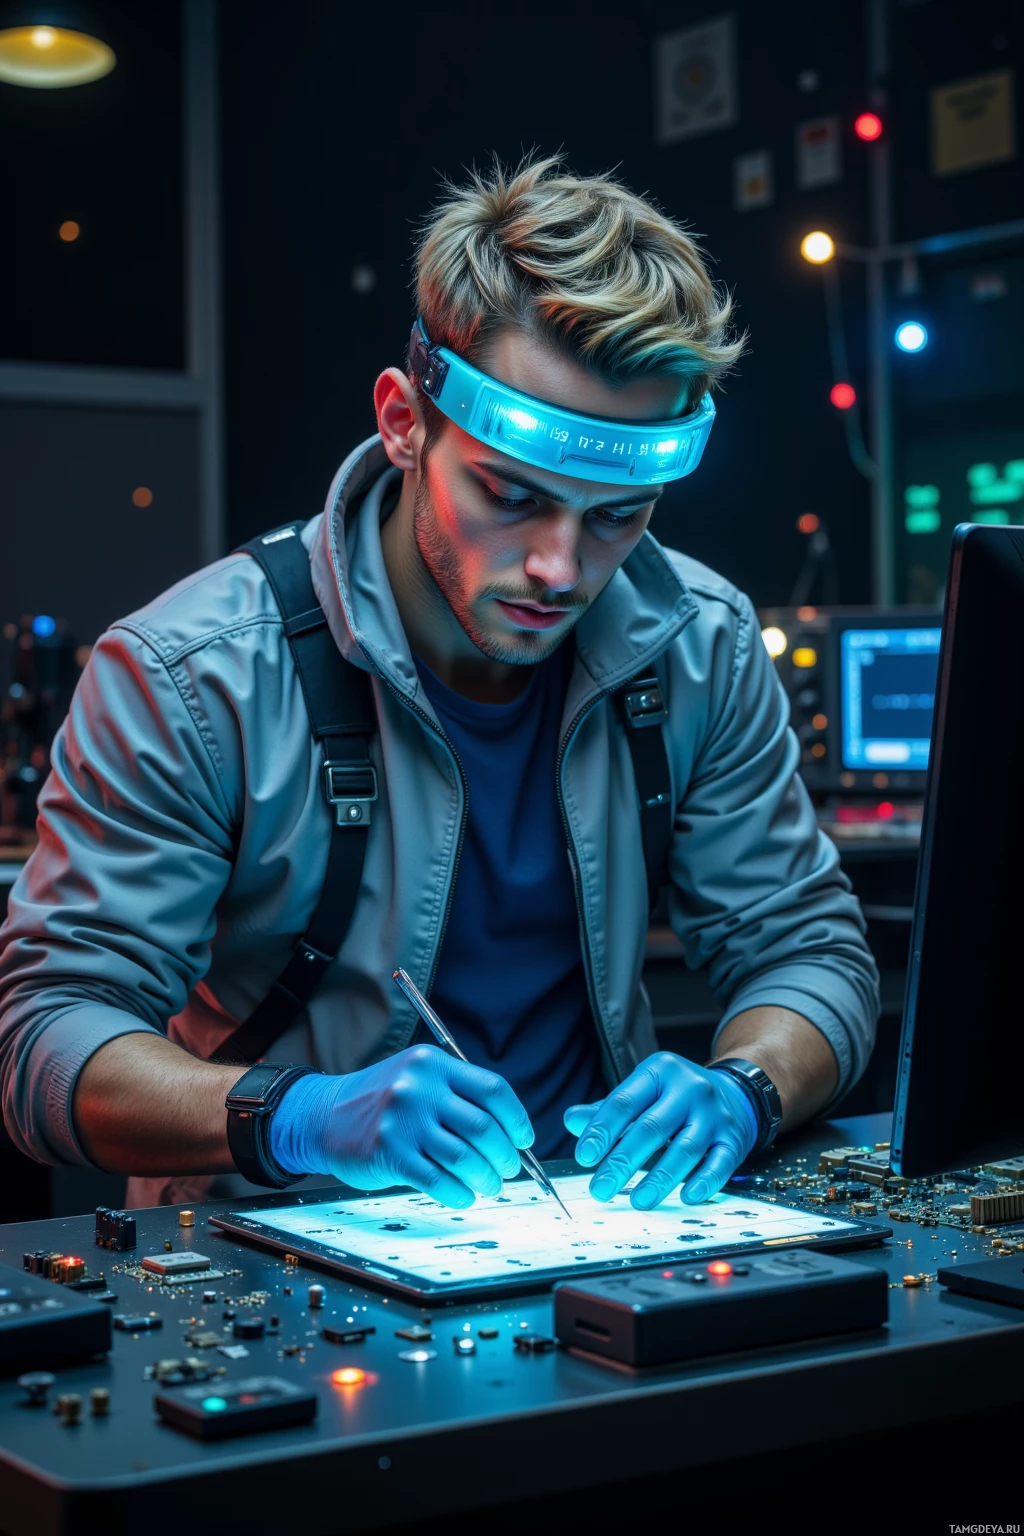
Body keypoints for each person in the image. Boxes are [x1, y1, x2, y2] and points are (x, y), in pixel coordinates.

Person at [0, 156, 878, 1212]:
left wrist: (742, 1090)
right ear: (404, 421)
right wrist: (302, 1116)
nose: (562, 569)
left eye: (617, 515)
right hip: (277, 1256)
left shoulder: (701, 642)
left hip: (603, 1238)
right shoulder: (191, 675)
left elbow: (810, 955)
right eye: (511, 496)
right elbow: (46, 1044)